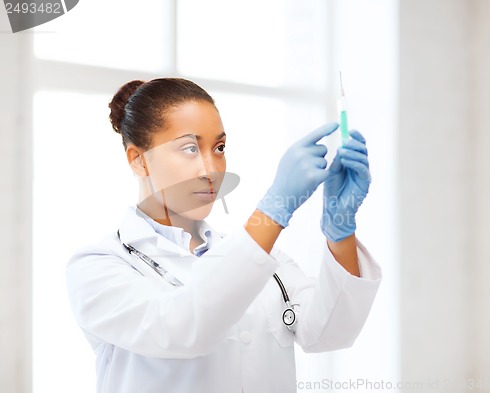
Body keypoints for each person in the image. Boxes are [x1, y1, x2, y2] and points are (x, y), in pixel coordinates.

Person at [65, 77, 382, 393]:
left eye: (219, 148)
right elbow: (183, 327)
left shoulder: (258, 257)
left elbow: (330, 333)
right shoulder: (99, 266)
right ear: (139, 160)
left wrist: (341, 229)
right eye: (190, 148)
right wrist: (273, 210)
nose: (211, 169)